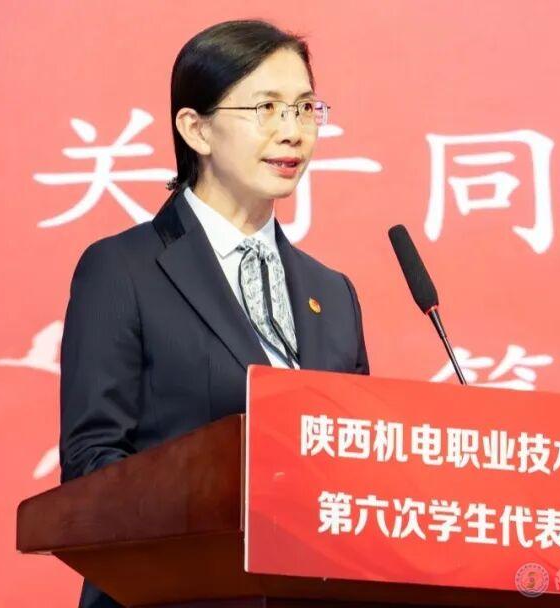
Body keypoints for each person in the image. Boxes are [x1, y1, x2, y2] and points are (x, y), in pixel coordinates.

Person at [58, 19, 370, 608]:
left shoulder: (333, 293)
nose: (292, 131)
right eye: (266, 108)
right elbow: (93, 463)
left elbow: (353, 465)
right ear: (196, 128)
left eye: (305, 109)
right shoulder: (123, 270)